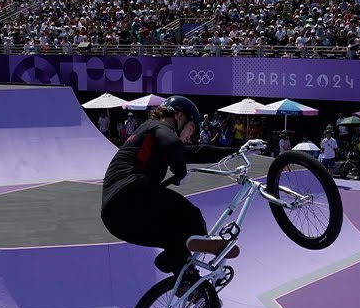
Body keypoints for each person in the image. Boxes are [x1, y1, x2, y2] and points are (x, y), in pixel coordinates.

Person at [101, 96, 261, 283]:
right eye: (191, 129)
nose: (189, 136)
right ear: (178, 116)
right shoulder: (158, 125)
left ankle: (186, 280)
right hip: (130, 191)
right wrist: (180, 171)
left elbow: (192, 151)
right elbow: (173, 146)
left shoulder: (150, 135)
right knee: (189, 216)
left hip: (117, 219)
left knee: (175, 237)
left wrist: (238, 150)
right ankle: (196, 243)